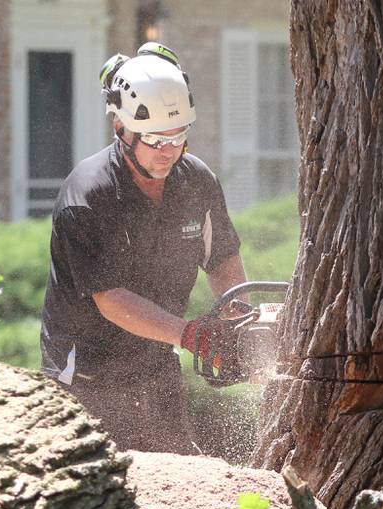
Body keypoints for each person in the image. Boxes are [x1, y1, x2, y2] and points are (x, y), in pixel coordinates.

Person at [40, 43, 247, 454]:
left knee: (178, 467)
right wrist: (191, 335)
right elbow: (110, 298)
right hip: (85, 374)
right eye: (154, 139)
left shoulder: (196, 181)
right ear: (121, 129)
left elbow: (221, 258)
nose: (169, 151)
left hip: (156, 357)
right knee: (100, 485)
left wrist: (238, 320)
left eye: (178, 137)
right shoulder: (88, 197)